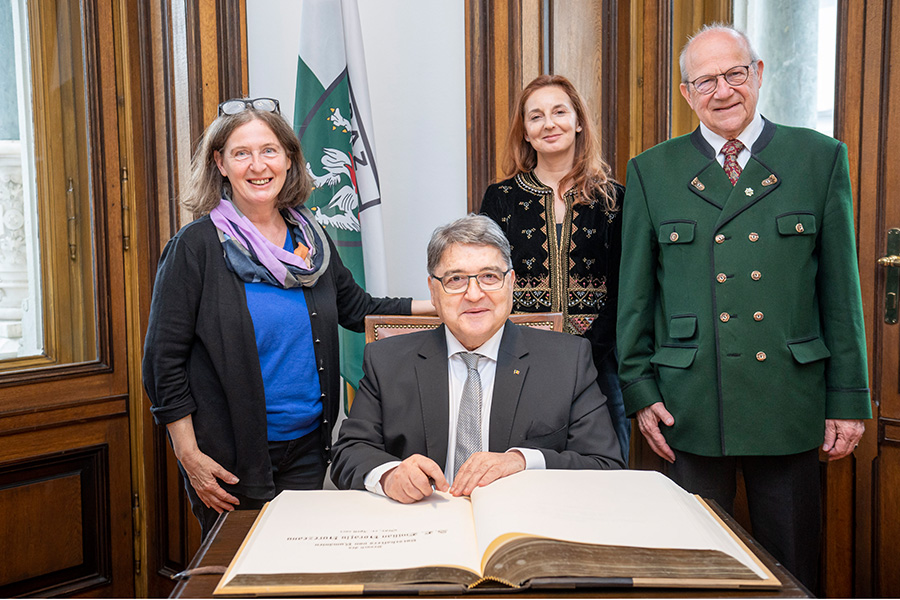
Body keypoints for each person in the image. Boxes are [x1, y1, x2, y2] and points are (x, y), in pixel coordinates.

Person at [616, 25, 871, 591]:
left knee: (793, 563)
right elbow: (636, 297)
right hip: (689, 404)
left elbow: (840, 290)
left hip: (789, 399)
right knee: (694, 568)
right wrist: (640, 391)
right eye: (705, 80)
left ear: (757, 74)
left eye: (734, 74)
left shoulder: (818, 157)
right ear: (686, 93)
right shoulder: (651, 171)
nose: (722, 90)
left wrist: (848, 398)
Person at [142, 97, 432, 538]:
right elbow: (162, 363)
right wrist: (188, 454)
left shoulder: (312, 239)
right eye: (241, 153)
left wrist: (445, 305)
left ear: (290, 159)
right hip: (230, 456)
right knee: (242, 573)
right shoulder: (196, 247)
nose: (257, 165)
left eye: (269, 150)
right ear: (220, 163)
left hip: (309, 448)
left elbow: (358, 309)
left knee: (298, 567)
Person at [331, 214, 624, 503]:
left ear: (511, 284)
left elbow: (605, 465)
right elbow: (348, 452)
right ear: (433, 291)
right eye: (456, 279)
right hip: (423, 526)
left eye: (489, 277)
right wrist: (390, 475)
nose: (474, 294)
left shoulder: (567, 360)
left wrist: (524, 461)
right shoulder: (387, 360)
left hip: (522, 524)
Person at [480, 75, 629, 462]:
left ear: (578, 121)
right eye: (536, 117)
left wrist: (587, 351)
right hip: (520, 364)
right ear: (526, 133)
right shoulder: (501, 199)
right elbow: (488, 281)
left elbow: (626, 288)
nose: (549, 124)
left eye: (559, 112)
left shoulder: (614, 199)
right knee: (517, 470)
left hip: (601, 364)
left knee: (604, 474)